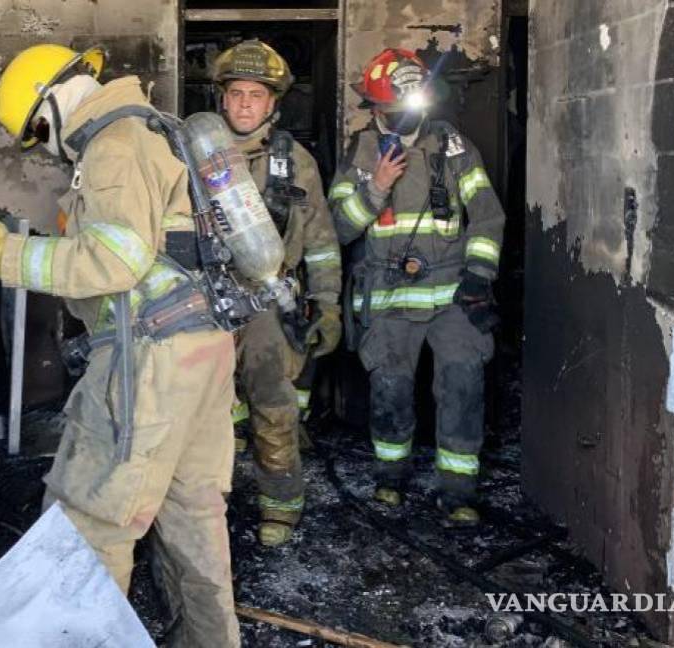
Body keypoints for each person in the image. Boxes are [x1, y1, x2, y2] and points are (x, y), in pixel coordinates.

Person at [0, 43, 240, 645]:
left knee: (86, 524)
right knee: (194, 524)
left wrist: (1, 254)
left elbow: (113, 261)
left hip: (152, 356)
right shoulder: (153, 130)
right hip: (199, 350)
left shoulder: (115, 144)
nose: (44, 145)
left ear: (54, 100)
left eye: (36, 130)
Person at [328, 48, 505, 525]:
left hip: (452, 294)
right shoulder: (358, 152)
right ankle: (391, 479)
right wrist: (376, 188)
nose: (403, 120)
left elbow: (487, 214)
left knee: (463, 382)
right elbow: (339, 228)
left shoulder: (452, 147)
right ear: (375, 109)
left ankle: (458, 491)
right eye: (392, 111)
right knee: (390, 389)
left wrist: (478, 275)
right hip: (388, 296)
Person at [212, 40, 342, 546]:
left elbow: (323, 244)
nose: (245, 103)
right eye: (236, 93)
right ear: (222, 99)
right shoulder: (193, 159)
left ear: (273, 104)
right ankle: (205, 508)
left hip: (266, 304)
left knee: (273, 405)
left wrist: (328, 307)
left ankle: (281, 504)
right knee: (204, 410)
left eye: (256, 95)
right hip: (209, 303)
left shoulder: (296, 163)